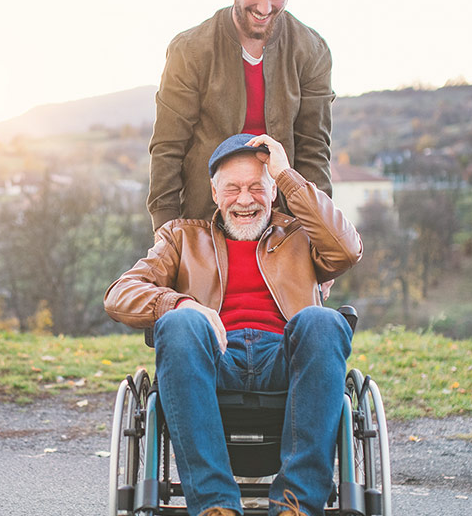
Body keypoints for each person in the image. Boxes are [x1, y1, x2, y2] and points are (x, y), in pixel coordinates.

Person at [105, 133, 362, 516]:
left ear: (274, 191)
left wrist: (287, 174)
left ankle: (296, 505)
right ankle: (215, 507)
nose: (245, 199)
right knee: (179, 324)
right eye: (234, 188)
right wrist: (180, 302)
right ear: (214, 190)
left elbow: (347, 250)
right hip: (213, 357)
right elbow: (119, 294)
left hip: (286, 357)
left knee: (323, 320)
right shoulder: (181, 237)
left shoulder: (299, 235)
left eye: (257, 187)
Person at [147, 0, 335, 235]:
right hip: (206, 226)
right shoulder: (190, 51)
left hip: (282, 231)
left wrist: (321, 238)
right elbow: (167, 151)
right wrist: (167, 238)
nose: (265, 7)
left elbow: (314, 154)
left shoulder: (312, 51)